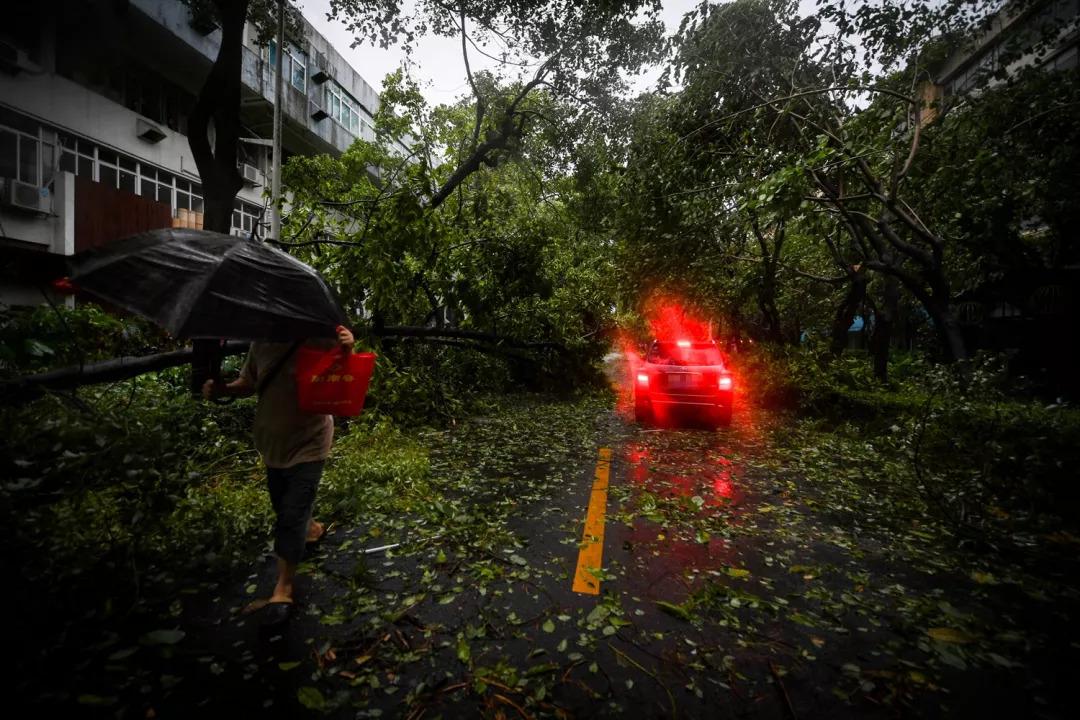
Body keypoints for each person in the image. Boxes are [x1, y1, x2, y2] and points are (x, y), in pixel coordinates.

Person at [203, 325, 355, 624]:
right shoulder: (261, 342)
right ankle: (310, 527)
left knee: (291, 513)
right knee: (283, 503)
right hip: (273, 442)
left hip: (311, 439)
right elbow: (248, 382)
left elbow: (345, 376)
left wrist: (348, 348)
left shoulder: (320, 337)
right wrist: (222, 389)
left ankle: (283, 586)